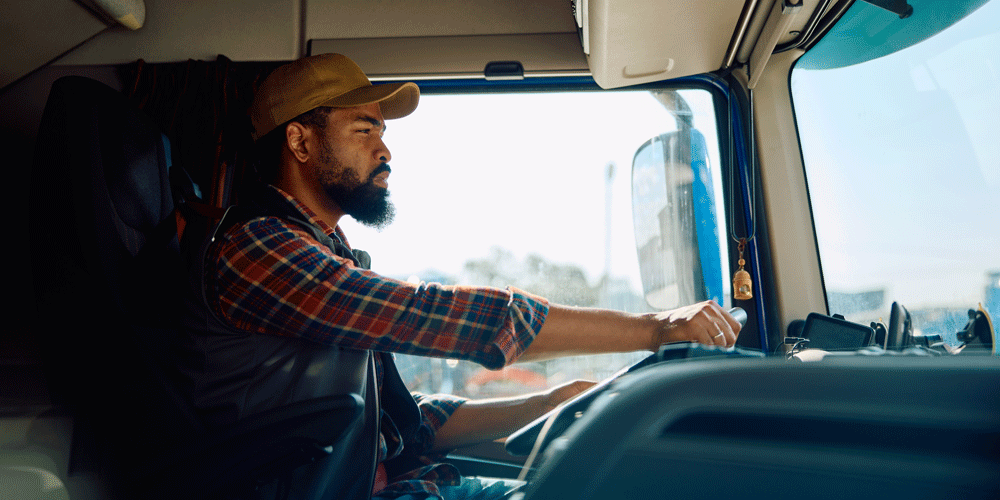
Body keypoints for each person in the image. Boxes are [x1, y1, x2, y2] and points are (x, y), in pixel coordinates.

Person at [179, 53, 741, 500]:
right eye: (363, 130)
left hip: (410, 481)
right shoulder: (257, 251)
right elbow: (430, 315)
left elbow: (405, 423)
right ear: (300, 142)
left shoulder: (326, 256)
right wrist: (655, 329)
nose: (386, 149)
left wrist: (556, 399)